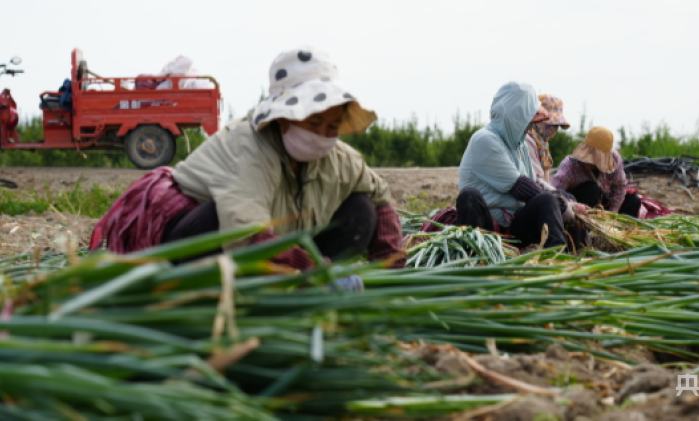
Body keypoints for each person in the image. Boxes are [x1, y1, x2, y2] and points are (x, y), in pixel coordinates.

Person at [90, 46, 407, 289]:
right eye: (314, 121)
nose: (323, 135)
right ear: (284, 116)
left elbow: (381, 202)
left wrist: (391, 272)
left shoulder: (341, 158)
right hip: (199, 242)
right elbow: (245, 233)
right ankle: (224, 294)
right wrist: (319, 272)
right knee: (217, 220)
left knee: (361, 208)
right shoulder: (247, 146)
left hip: (282, 243)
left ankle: (305, 287)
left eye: (332, 125)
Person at [456, 81, 588, 250]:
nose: (530, 126)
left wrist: (568, 201)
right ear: (517, 118)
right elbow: (522, 187)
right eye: (528, 120)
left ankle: (578, 251)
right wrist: (564, 206)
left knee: (558, 197)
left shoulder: (520, 145)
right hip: (488, 225)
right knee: (469, 194)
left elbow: (536, 183)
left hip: (513, 222)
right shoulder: (485, 140)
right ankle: (555, 255)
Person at [550, 126, 641, 217]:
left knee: (632, 200)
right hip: (577, 207)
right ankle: (583, 229)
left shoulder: (614, 159)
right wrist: (570, 205)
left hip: (602, 205)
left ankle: (615, 229)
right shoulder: (570, 165)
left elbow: (619, 187)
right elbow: (553, 193)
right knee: (592, 189)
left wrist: (612, 215)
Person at [525, 94, 570, 188]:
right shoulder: (527, 140)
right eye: (550, 124)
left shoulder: (543, 143)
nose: (553, 129)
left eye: (557, 125)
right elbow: (536, 180)